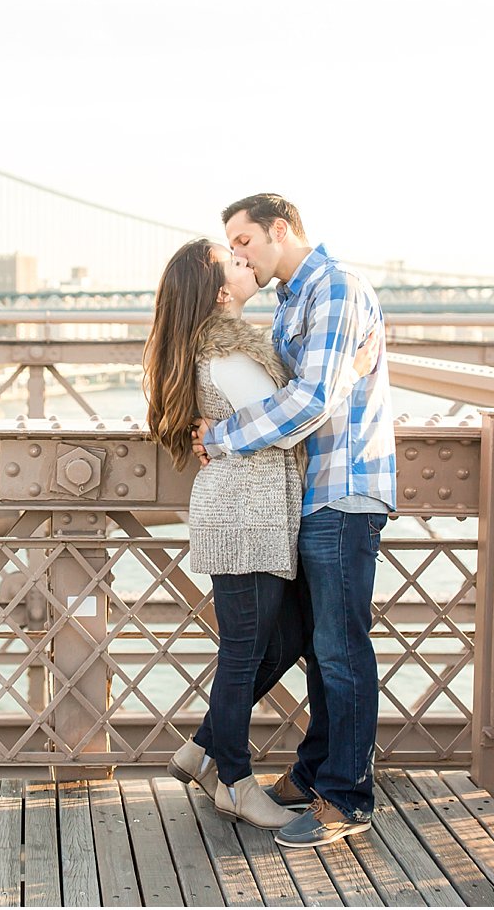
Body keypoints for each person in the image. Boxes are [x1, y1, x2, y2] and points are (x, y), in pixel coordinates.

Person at [146, 238, 376, 830]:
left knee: (285, 638)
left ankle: (201, 749)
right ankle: (234, 780)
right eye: (237, 262)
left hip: (259, 515)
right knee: (246, 652)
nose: (248, 265)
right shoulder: (228, 357)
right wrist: (347, 374)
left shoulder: (236, 349)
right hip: (245, 518)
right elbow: (289, 425)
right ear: (222, 291)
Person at [195, 193, 396, 849]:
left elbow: (308, 402)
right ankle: (315, 774)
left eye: (243, 240)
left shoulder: (335, 288)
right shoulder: (291, 304)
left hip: (343, 489)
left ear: (280, 230)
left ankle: (346, 798)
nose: (238, 254)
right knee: (319, 649)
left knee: (341, 650)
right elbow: (296, 394)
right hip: (311, 494)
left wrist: (223, 437)